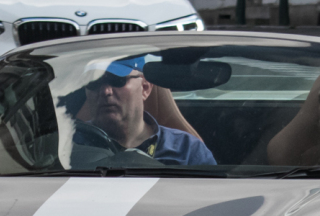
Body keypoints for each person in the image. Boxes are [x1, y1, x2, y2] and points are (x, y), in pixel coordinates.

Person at [78, 56, 216, 166]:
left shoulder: (187, 151)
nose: (105, 91)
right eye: (94, 82)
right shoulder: (67, 147)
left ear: (145, 88)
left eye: (117, 80)